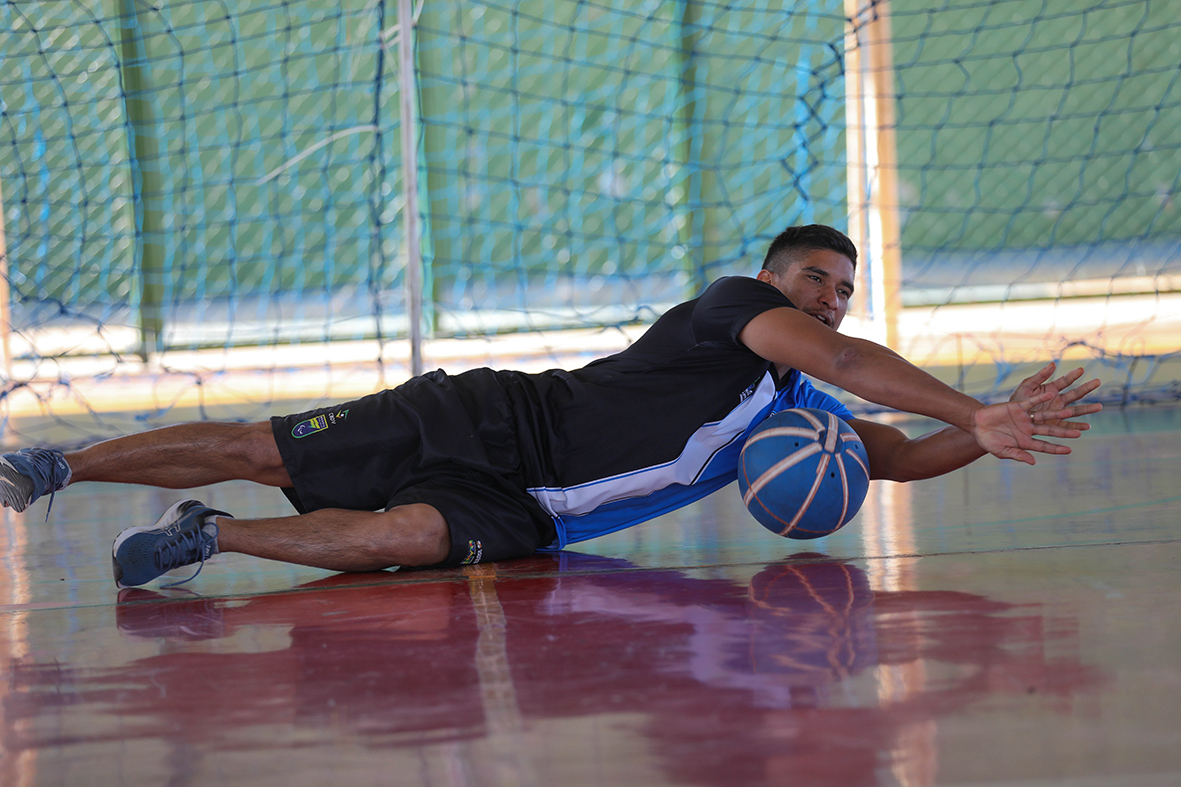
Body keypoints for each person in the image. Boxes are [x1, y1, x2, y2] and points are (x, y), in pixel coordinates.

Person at [0, 225, 1102, 588]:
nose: (828, 295)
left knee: (406, 537)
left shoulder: (785, 416)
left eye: (842, 285)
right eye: (815, 276)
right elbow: (850, 359)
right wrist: (973, 403)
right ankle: (55, 466)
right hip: (491, 420)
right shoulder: (732, 312)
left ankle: (209, 537)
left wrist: (979, 429)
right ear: (772, 278)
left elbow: (891, 459)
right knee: (259, 442)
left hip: (533, 511)